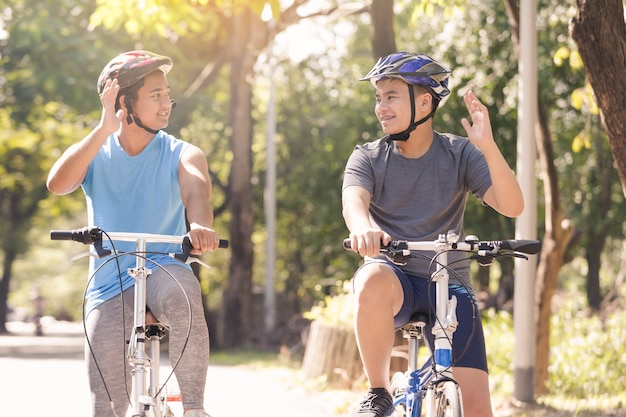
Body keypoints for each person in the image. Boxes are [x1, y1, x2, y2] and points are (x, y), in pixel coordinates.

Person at [342, 52, 524, 417]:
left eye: (391, 96)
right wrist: (363, 229)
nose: (381, 107)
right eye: (378, 98)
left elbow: (513, 205)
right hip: (396, 281)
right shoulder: (368, 157)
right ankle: (378, 391)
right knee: (372, 276)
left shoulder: (459, 153)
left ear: (424, 100)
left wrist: (486, 146)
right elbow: (354, 202)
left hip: (449, 284)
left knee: (476, 409)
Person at [47, 50, 221, 417]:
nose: (166, 104)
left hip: (164, 267)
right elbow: (57, 184)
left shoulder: (183, 153)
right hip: (108, 281)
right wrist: (102, 129)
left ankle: (194, 409)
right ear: (124, 102)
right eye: (155, 94)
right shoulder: (96, 151)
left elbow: (196, 193)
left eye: (167, 94)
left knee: (185, 295)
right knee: (105, 407)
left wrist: (200, 227)